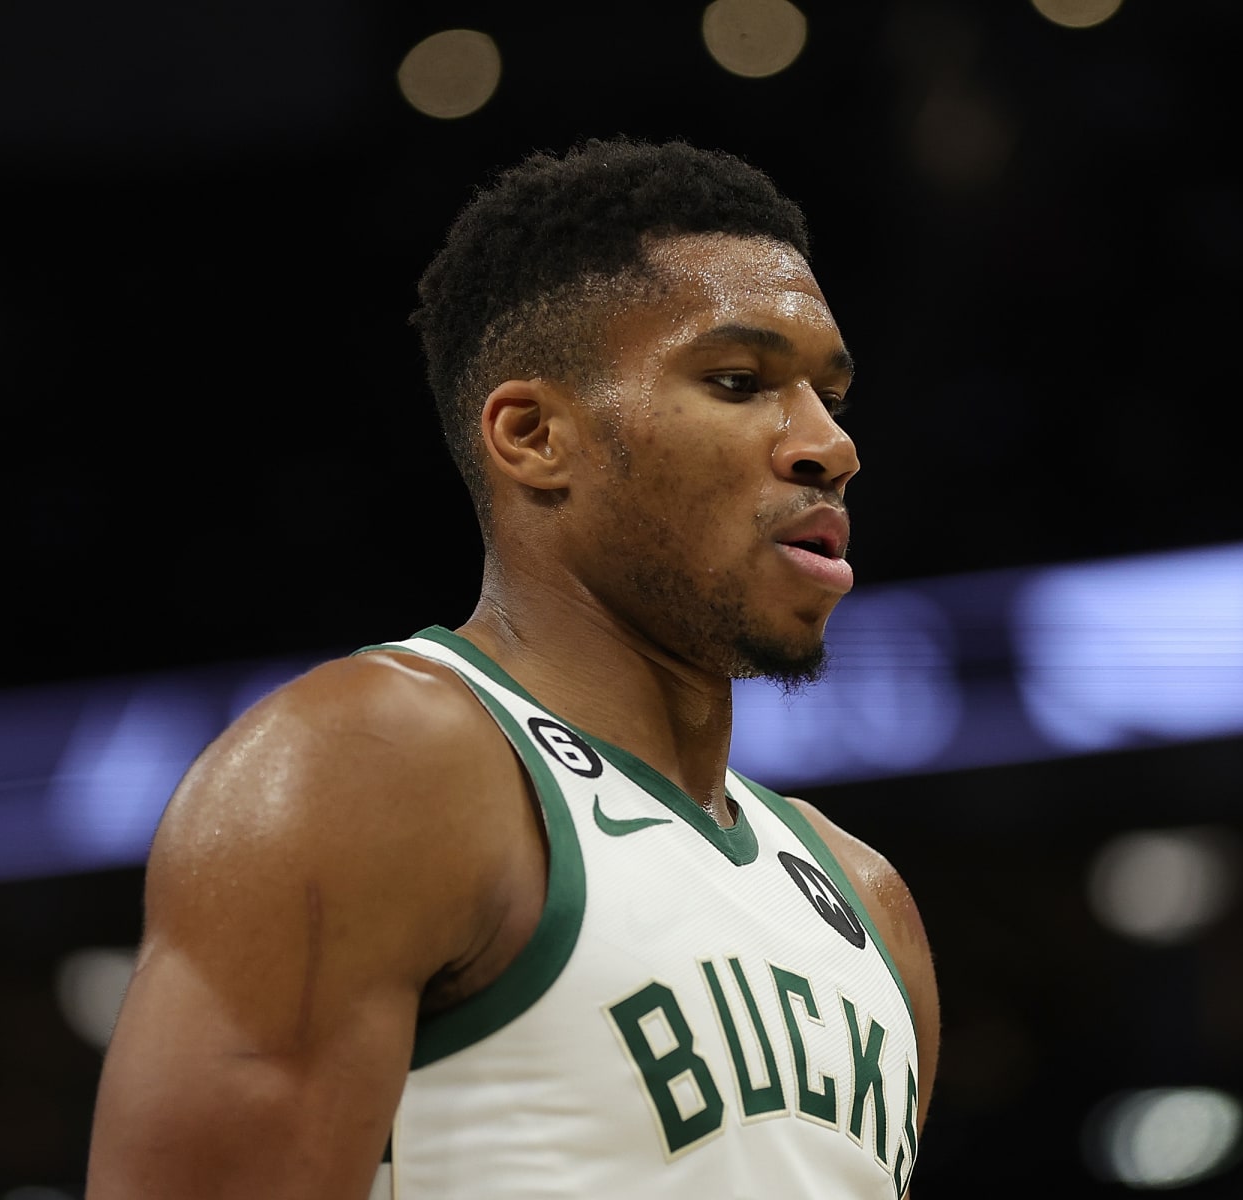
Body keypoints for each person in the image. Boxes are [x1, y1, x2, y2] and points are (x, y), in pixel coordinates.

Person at [85, 135, 941, 1199]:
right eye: (739, 380)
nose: (829, 445)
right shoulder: (372, 766)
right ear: (535, 435)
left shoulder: (867, 902)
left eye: (832, 396)